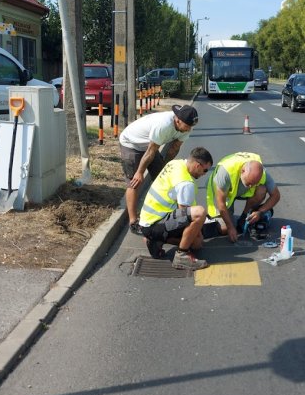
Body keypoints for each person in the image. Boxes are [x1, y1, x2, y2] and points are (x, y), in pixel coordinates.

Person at [119, 104, 199, 234]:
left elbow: (174, 148)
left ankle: (158, 214)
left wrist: (166, 166)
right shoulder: (164, 125)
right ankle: (133, 222)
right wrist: (139, 172)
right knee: (135, 182)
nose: (189, 129)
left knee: (162, 178)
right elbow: (151, 151)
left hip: (150, 145)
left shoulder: (186, 127)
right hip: (131, 143)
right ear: (178, 120)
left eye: (191, 126)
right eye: (187, 126)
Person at [139, 147, 213, 271]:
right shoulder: (186, 183)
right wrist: (196, 234)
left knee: (195, 235)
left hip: (147, 220)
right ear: (197, 165)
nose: (204, 174)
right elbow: (185, 216)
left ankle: (154, 240)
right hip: (155, 224)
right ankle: (181, 255)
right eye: (205, 170)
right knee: (197, 237)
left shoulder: (175, 163)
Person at [206, 152, 281, 243]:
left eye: (254, 184)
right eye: (249, 183)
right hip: (224, 192)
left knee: (261, 189)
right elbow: (221, 203)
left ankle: (244, 217)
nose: (250, 187)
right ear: (243, 171)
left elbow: (276, 195)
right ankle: (204, 222)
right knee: (224, 229)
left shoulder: (262, 173)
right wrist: (230, 227)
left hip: (240, 191)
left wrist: (260, 212)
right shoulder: (225, 172)